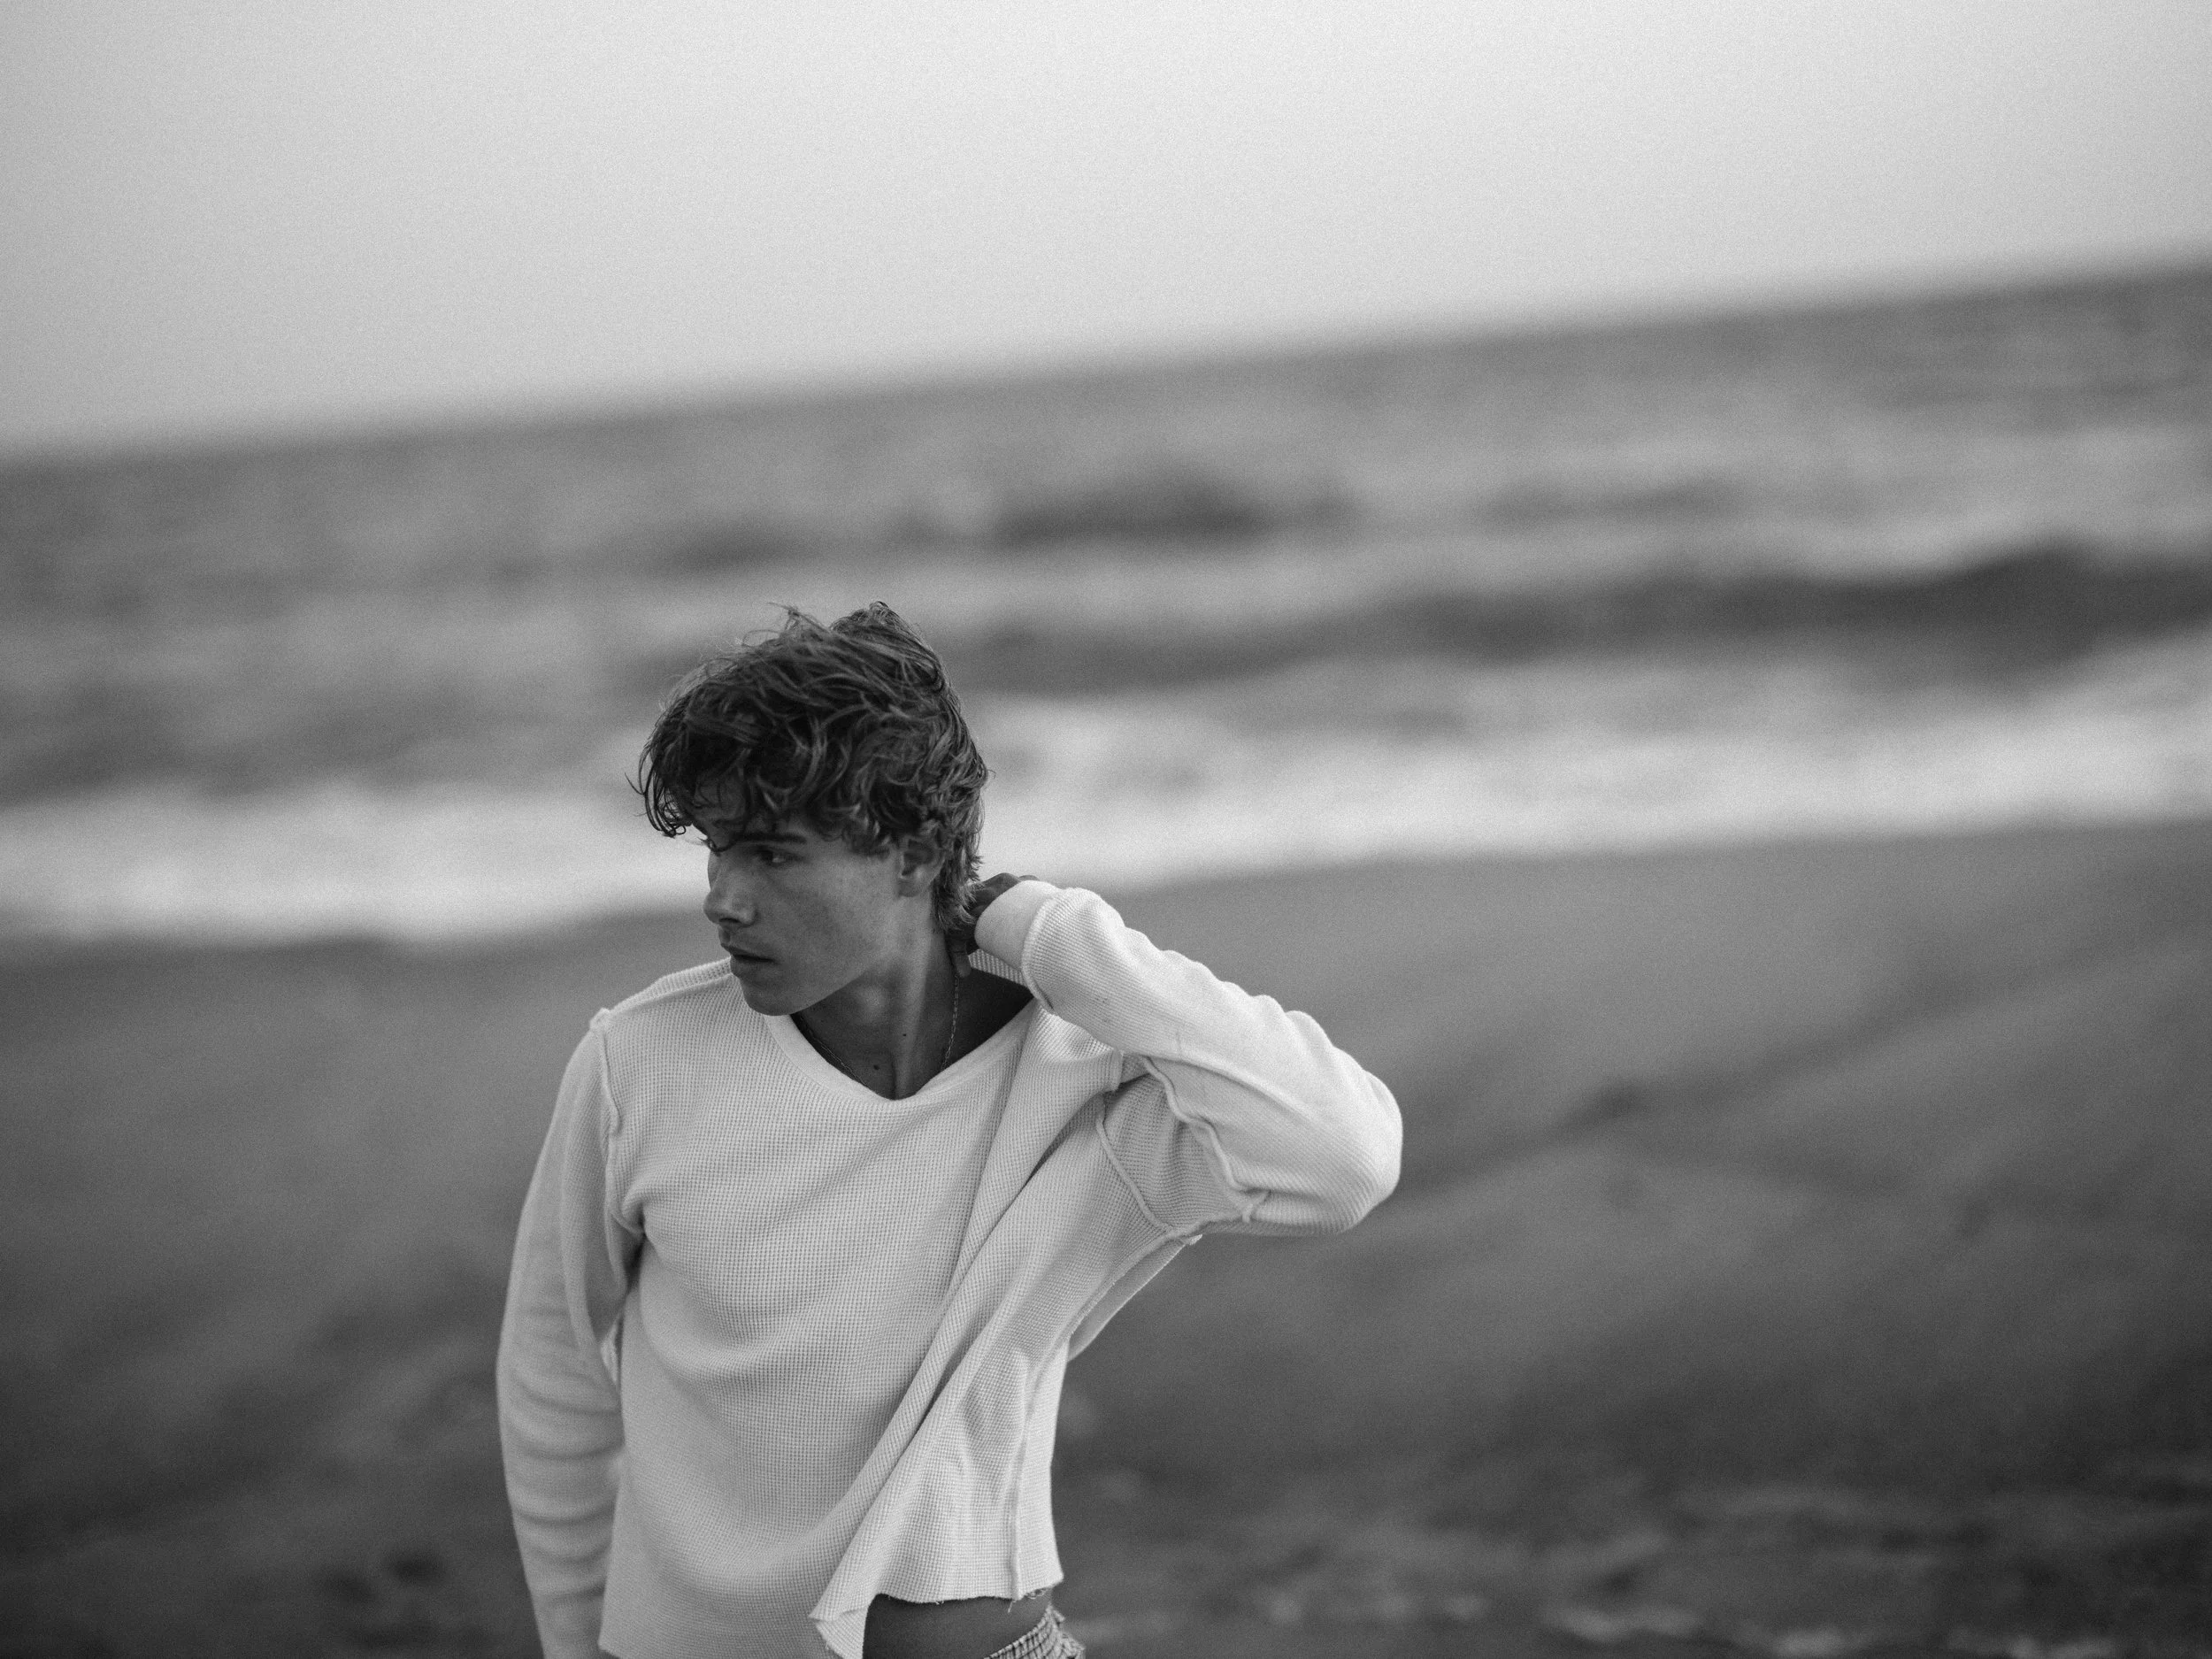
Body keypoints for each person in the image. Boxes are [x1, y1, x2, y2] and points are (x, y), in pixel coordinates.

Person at [496, 603, 1402, 1659]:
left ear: (915, 855)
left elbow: (1342, 1160)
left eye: (772, 855)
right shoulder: (641, 1062)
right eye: (714, 849)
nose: (722, 898)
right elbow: (553, 1375)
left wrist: (1051, 932)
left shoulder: (1080, 1088)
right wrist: (574, 1646)